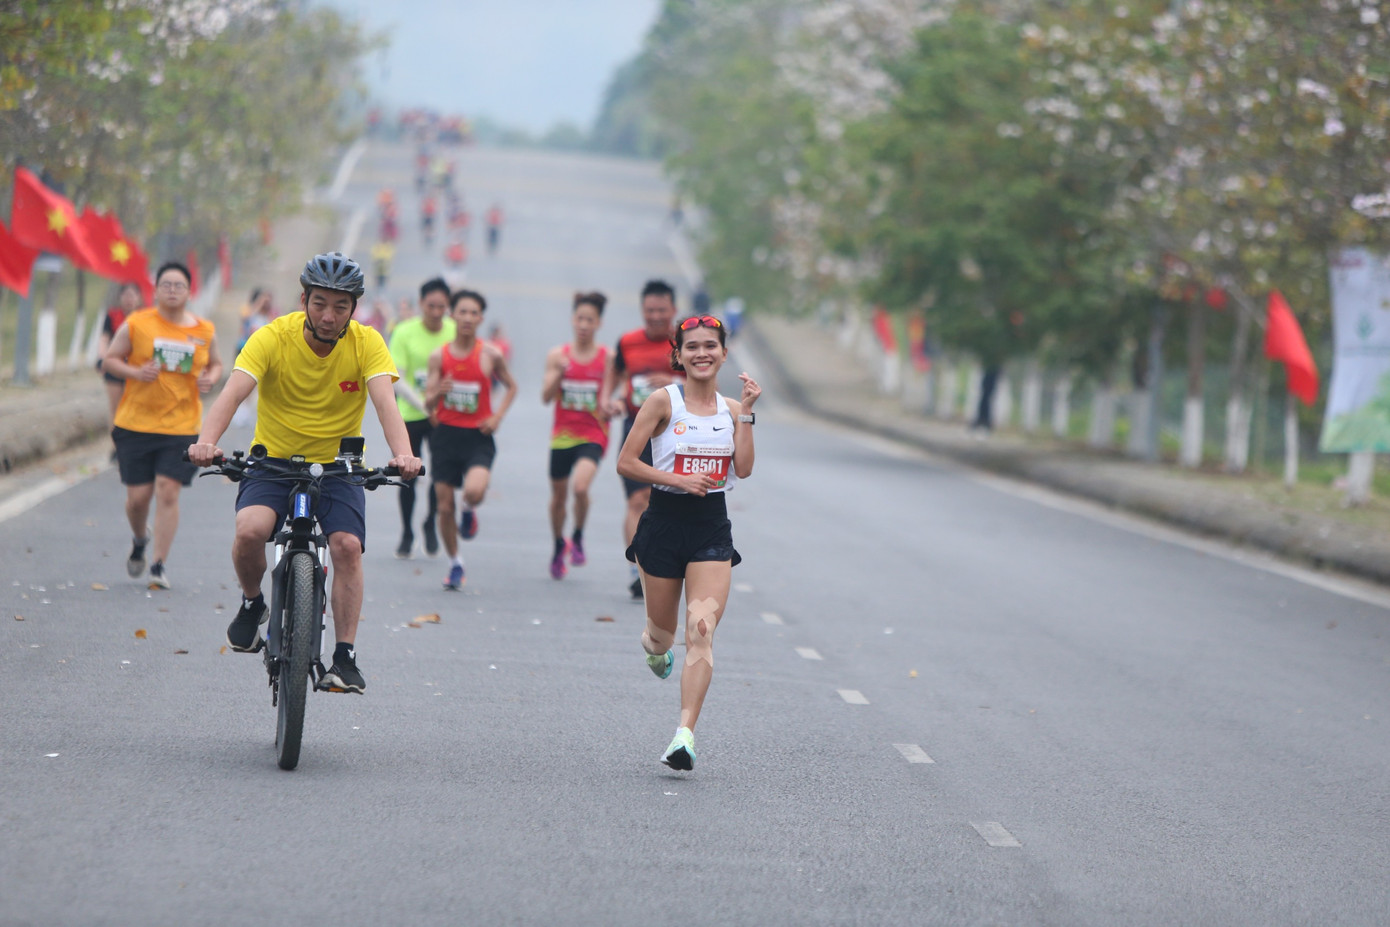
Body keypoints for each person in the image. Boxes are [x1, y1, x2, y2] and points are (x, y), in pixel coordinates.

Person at [188, 252, 422, 695]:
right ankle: (253, 603)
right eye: (319, 304)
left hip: (338, 468)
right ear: (303, 301)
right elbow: (233, 394)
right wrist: (206, 442)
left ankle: (344, 657)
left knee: (347, 546)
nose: (329, 316)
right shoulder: (271, 337)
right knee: (250, 530)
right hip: (272, 462)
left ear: (354, 308)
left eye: (340, 307)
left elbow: (386, 404)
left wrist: (404, 455)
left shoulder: (368, 342)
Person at [617, 314, 760, 771]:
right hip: (662, 524)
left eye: (710, 346)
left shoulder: (732, 409)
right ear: (678, 355)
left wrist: (748, 413)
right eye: (692, 346)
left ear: (723, 353)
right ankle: (653, 646)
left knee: (701, 629)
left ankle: (684, 735)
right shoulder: (663, 401)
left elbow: (744, 469)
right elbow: (626, 462)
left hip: (710, 528)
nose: (702, 353)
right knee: (662, 639)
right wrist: (677, 479)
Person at [103, 262, 223, 590]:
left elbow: (216, 364)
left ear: (189, 291)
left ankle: (158, 564)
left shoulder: (204, 330)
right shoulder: (137, 323)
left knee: (168, 490)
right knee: (138, 499)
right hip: (135, 423)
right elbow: (110, 359)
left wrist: (209, 379)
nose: (172, 290)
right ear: (155, 290)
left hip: (181, 426)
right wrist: (136, 372)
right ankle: (140, 538)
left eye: (178, 285)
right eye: (166, 285)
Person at [423, 289, 517, 590]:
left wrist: (497, 416)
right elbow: (427, 401)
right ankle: (455, 563)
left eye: (473, 313)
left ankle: (468, 508)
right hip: (445, 436)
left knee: (474, 491)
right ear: (452, 315)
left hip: (478, 436)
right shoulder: (439, 356)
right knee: (443, 506)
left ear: (480, 318)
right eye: (461, 312)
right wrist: (438, 393)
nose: (467, 318)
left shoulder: (490, 354)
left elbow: (512, 386)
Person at [602, 279, 682, 600]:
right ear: (642, 310)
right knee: (637, 500)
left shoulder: (686, 343)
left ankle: (666, 564)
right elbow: (615, 371)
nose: (656, 316)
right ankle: (637, 568)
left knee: (670, 506)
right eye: (650, 310)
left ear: (673, 310)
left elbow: (708, 382)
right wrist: (607, 399)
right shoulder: (628, 341)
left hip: (677, 433)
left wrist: (673, 380)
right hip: (637, 428)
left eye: (662, 310)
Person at [540, 292, 612, 579]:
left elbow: (611, 393)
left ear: (598, 324)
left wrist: (610, 404)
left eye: (589, 320)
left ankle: (578, 535)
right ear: (573, 319)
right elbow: (546, 397)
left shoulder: (607, 358)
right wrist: (559, 374)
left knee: (580, 488)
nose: (583, 325)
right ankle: (559, 544)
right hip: (562, 435)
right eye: (580, 318)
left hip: (593, 433)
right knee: (558, 497)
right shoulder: (557, 356)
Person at [387, 277, 456, 558]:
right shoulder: (404, 332)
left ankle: (430, 523)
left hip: (444, 415)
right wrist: (426, 406)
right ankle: (407, 532)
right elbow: (397, 379)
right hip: (412, 413)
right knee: (408, 475)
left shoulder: (454, 331)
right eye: (431, 306)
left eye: (442, 307)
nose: (436, 312)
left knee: (440, 475)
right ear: (421, 304)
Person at [97, 282, 142, 422]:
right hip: (115, 366)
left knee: (134, 409)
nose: (129, 299)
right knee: (116, 409)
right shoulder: (112, 316)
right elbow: (104, 338)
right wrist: (102, 358)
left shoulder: (144, 318)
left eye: (132, 295)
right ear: (120, 297)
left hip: (136, 368)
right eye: (126, 295)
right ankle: (114, 435)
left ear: (138, 298)